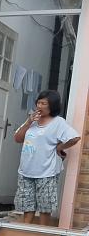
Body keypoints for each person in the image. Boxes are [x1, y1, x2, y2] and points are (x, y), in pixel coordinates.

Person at [13, 89, 80, 225]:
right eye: (38, 103)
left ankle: (43, 232)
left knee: (45, 207)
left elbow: (75, 137)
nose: (39, 106)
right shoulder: (32, 120)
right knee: (27, 205)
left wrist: (59, 147)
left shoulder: (58, 122)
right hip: (26, 171)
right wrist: (28, 122)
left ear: (52, 106)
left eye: (44, 104)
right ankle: (26, 231)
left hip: (46, 172)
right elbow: (18, 138)